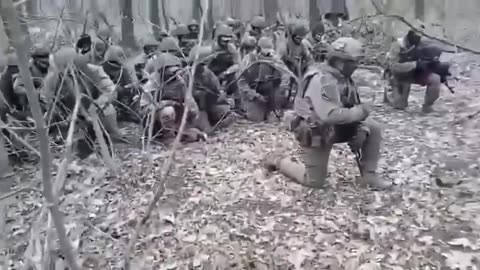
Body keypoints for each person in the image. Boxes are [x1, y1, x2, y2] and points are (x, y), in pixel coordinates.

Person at [266, 37, 391, 190]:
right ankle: (279, 160)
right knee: (314, 181)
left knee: (373, 127)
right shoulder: (321, 79)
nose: (357, 66)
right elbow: (331, 115)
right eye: (354, 62)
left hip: (336, 127)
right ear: (340, 62)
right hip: (316, 131)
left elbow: (352, 106)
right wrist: (362, 112)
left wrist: (362, 128)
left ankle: (369, 175)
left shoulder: (344, 78)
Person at [385, 30, 442, 113]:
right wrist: (414, 64)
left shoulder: (421, 44)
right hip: (399, 76)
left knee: (435, 79)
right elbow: (394, 67)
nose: (417, 39)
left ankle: (427, 106)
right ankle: (390, 94)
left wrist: (431, 63)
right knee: (400, 106)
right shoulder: (397, 45)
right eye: (415, 36)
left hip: (415, 73)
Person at [238, 36, 290, 122]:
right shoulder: (249, 59)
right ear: (258, 49)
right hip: (254, 93)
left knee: (274, 120)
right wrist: (255, 95)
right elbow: (241, 82)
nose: (268, 53)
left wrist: (283, 87)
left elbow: (285, 72)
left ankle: (274, 109)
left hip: (271, 91)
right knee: (255, 118)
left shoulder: (274, 58)